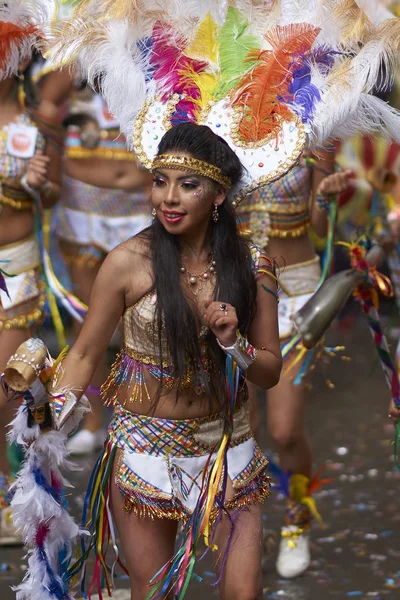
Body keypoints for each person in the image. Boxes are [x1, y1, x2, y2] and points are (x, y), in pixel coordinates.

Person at [50, 122, 282, 600]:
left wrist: (234, 342)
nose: (168, 198)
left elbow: (270, 370)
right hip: (144, 453)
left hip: (226, 451)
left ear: (218, 193)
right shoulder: (127, 262)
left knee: (245, 593)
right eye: (160, 181)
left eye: (188, 184)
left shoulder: (253, 265)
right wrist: (47, 419)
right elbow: (87, 352)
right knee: (153, 594)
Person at [238, 151, 351, 578]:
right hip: (237, 293)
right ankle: (246, 529)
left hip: (295, 296)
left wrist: (325, 198)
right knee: (242, 429)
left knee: (285, 431)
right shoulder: (216, 124)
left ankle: (296, 518)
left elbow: (321, 230)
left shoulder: (315, 130)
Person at [37, 70, 152, 454]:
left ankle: (140, 416)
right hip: (82, 215)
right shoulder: (67, 71)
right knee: (88, 323)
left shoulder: (149, 68)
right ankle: (94, 420)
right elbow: (45, 111)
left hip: (140, 215)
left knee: (145, 324)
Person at [0, 57, 62, 542]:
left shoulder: (34, 122)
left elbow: (57, 192)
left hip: (14, 269)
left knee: (4, 388)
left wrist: (40, 184)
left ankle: (12, 491)